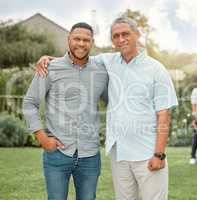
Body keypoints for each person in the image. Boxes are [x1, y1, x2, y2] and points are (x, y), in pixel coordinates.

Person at [36, 17, 178, 200]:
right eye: (116, 36)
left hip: (147, 154)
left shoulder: (156, 69)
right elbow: (78, 57)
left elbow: (164, 115)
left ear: (137, 35)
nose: (121, 39)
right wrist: (48, 60)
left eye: (125, 34)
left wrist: (159, 154)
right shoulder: (108, 61)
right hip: (120, 154)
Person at [22, 22, 108, 200]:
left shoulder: (101, 71)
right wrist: (42, 138)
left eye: (86, 40)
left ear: (92, 42)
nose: (81, 44)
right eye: (77, 39)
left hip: (90, 155)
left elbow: (114, 103)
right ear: (68, 39)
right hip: (57, 154)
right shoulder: (50, 68)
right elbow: (30, 103)